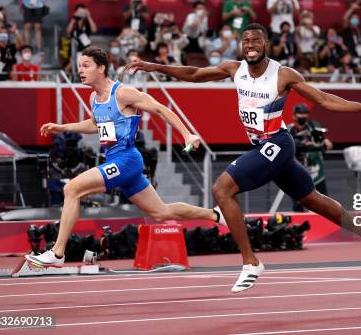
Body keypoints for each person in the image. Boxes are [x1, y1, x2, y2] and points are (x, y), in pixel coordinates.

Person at [124, 23, 361, 293]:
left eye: (256, 40)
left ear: (266, 44)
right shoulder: (234, 68)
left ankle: (250, 262)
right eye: (246, 41)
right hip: (265, 146)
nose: (250, 45)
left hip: (277, 142)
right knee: (315, 201)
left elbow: (322, 99)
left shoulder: (283, 75)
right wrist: (155, 66)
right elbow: (194, 73)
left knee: (222, 189)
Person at [25, 46, 226, 268]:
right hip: (117, 162)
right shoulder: (94, 97)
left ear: (101, 68)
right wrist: (62, 127)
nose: (80, 70)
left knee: (72, 189)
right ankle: (215, 214)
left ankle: (58, 252)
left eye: (85, 66)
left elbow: (160, 109)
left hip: (126, 160)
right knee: (161, 212)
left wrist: (187, 134)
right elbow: (95, 123)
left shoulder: (122, 93)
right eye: (79, 66)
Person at [288, 104, 332, 211]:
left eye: (305, 114)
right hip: (297, 171)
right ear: (294, 116)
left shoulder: (314, 127)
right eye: (300, 114)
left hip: (316, 171)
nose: (303, 116)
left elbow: (328, 145)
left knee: (323, 201)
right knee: (298, 203)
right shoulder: (288, 130)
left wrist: (319, 144)